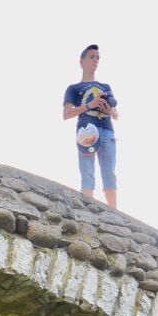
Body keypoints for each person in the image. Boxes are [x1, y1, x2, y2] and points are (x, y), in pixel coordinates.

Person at [62, 44, 118, 208]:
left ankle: (115, 213)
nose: (96, 60)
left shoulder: (106, 87)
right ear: (82, 62)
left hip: (107, 130)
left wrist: (110, 110)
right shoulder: (73, 88)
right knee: (87, 173)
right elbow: (66, 114)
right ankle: (88, 210)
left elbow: (116, 114)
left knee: (110, 173)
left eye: (98, 58)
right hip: (86, 132)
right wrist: (90, 105)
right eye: (92, 57)